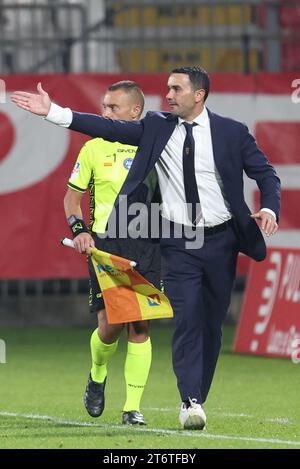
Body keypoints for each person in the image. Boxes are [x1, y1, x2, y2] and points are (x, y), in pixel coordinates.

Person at [11, 67, 280, 430]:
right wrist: (54, 112)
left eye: (176, 88)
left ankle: (168, 398)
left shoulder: (230, 132)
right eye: (167, 87)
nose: (167, 94)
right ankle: (171, 395)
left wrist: (268, 207)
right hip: (155, 241)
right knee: (153, 321)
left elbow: (265, 173)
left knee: (193, 325)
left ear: (198, 95)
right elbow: (103, 132)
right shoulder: (152, 129)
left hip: (204, 239)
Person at [64, 81, 160, 426]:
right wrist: (79, 231)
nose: (104, 113)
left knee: (140, 323)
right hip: (106, 245)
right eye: (104, 107)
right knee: (110, 327)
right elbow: (71, 200)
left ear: (135, 112)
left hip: (147, 241)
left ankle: (132, 407)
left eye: (112, 108)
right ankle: (97, 373)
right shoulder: (92, 148)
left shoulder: (156, 146)